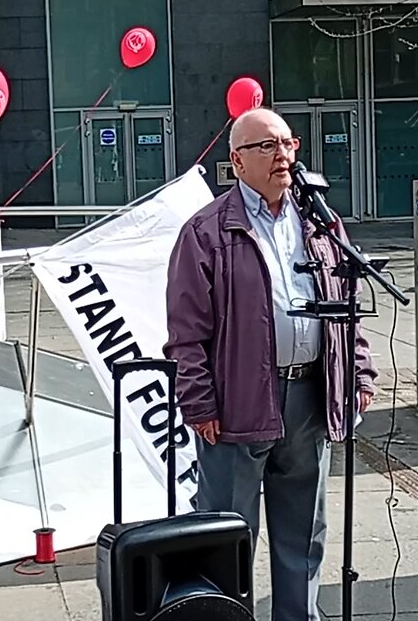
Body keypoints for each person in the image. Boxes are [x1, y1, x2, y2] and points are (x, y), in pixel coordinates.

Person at [164, 107, 378, 621]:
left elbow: (344, 304)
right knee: (227, 537)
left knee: (304, 532)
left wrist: (359, 370)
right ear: (237, 161)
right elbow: (186, 333)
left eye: (287, 143)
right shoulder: (207, 231)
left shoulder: (320, 222)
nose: (281, 154)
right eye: (266, 146)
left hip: (309, 396)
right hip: (235, 403)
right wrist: (199, 403)